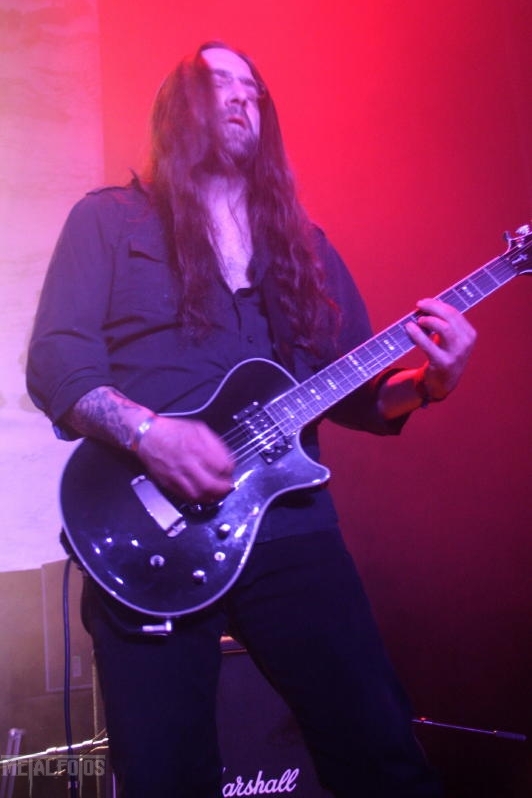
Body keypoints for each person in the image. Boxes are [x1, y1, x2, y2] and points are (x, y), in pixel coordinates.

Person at [26, 41, 476, 798]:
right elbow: (56, 363)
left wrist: (430, 382)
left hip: (291, 529)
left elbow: (360, 396)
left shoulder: (305, 247)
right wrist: (149, 434)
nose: (241, 97)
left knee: (382, 756)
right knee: (166, 778)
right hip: (146, 535)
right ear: (179, 107)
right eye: (218, 82)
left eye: (251, 88)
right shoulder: (108, 220)